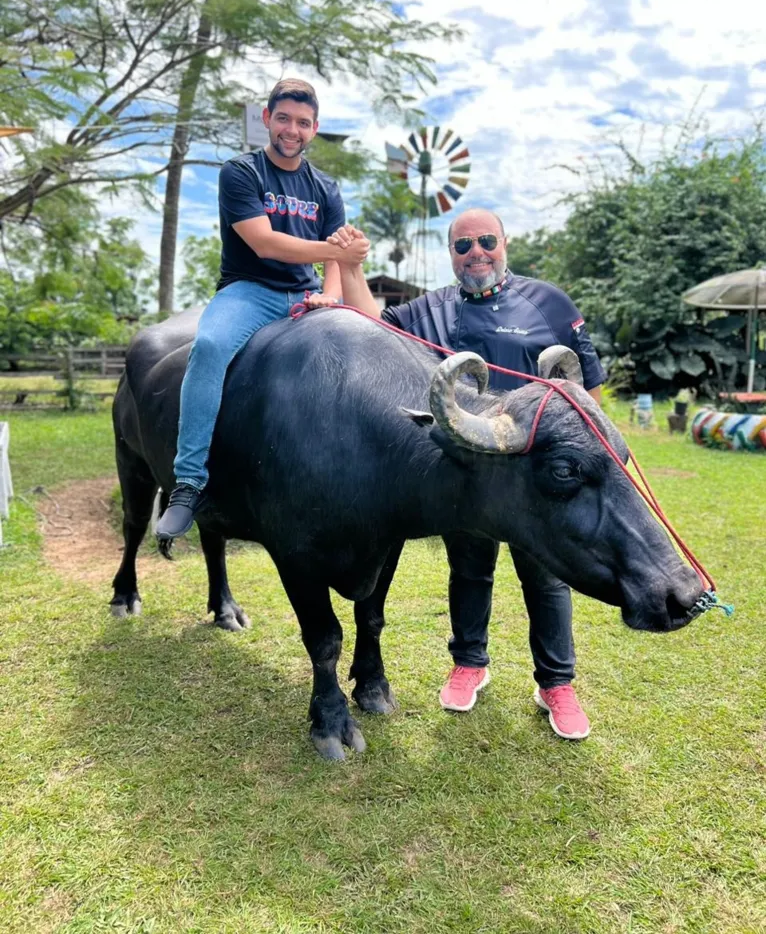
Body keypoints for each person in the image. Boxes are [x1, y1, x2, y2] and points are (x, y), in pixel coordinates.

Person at [329, 207, 606, 740]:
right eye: (462, 246)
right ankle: (469, 663)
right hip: (469, 471)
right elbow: (371, 327)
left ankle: (557, 683)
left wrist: (600, 462)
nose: (475, 253)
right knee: (470, 572)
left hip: (537, 474)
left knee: (545, 579)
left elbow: (586, 389)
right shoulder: (433, 310)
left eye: (485, 241)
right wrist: (351, 267)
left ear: (504, 243)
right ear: (451, 255)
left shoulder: (548, 302)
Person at [155, 79, 368, 540]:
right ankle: (188, 482)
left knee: (361, 351)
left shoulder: (325, 187)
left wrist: (333, 293)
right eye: (285, 119)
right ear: (267, 119)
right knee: (209, 348)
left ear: (315, 129)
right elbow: (264, 242)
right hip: (250, 291)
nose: (293, 130)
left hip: (308, 295)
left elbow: (335, 259)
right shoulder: (240, 172)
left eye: (304, 123)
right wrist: (336, 252)